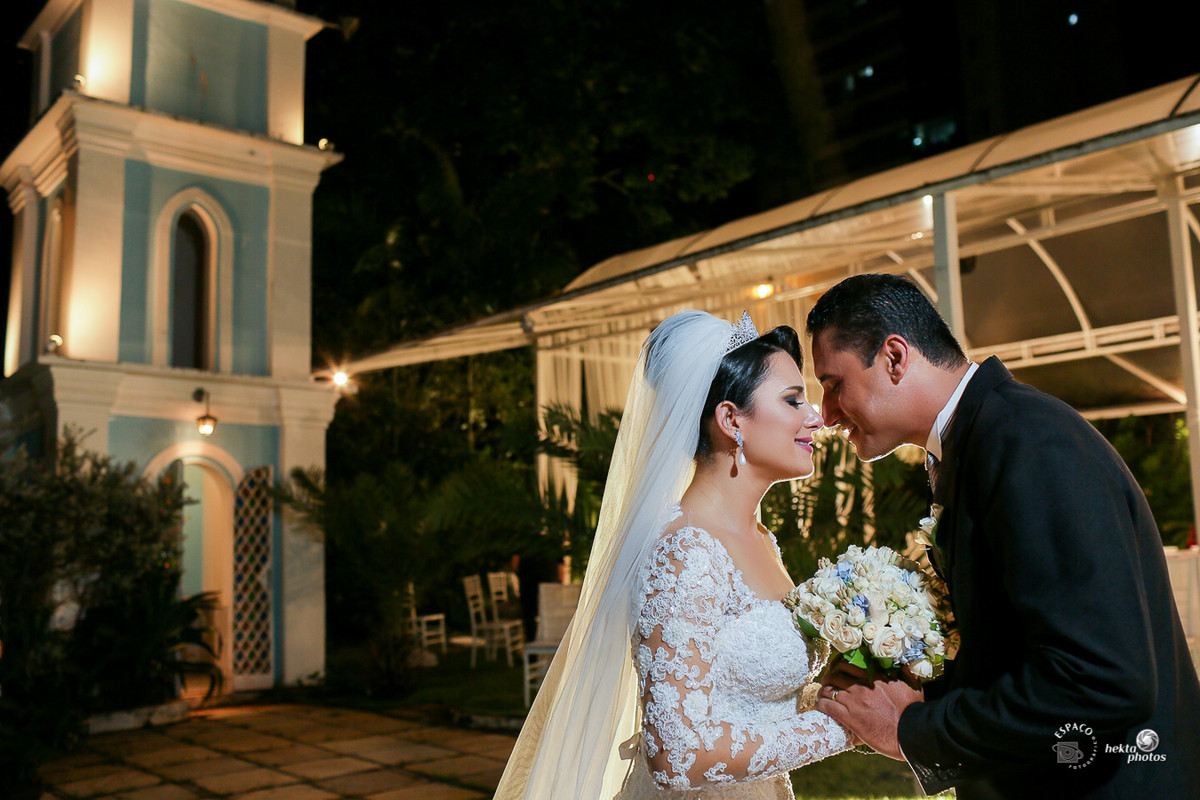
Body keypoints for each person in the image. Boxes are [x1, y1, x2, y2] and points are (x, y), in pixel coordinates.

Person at [806, 272, 1200, 798]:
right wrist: (902, 675)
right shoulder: (980, 440)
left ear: (896, 356)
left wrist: (914, 731)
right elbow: (1015, 644)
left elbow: (1100, 681)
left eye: (834, 385)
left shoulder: (1029, 443)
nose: (827, 414)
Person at [494, 310, 853, 799]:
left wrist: (844, 700)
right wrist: (848, 731)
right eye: (794, 400)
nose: (816, 417)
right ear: (731, 420)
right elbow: (676, 754)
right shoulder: (686, 553)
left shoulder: (760, 539)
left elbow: (746, 698)